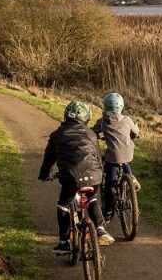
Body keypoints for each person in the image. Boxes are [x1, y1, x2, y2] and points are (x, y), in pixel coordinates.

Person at [39, 100, 115, 253]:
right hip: (94, 176)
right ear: (85, 118)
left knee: (63, 205)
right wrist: (100, 173)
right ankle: (100, 229)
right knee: (92, 198)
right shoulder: (91, 134)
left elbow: (49, 159)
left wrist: (44, 174)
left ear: (66, 115)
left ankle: (64, 241)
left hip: (71, 178)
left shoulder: (57, 135)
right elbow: (96, 157)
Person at [92, 92, 140, 220]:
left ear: (105, 106)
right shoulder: (128, 120)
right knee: (125, 160)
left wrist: (97, 136)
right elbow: (135, 132)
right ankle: (131, 177)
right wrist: (132, 136)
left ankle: (107, 211)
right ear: (122, 106)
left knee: (110, 183)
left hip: (113, 156)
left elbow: (92, 133)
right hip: (129, 153)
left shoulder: (103, 122)